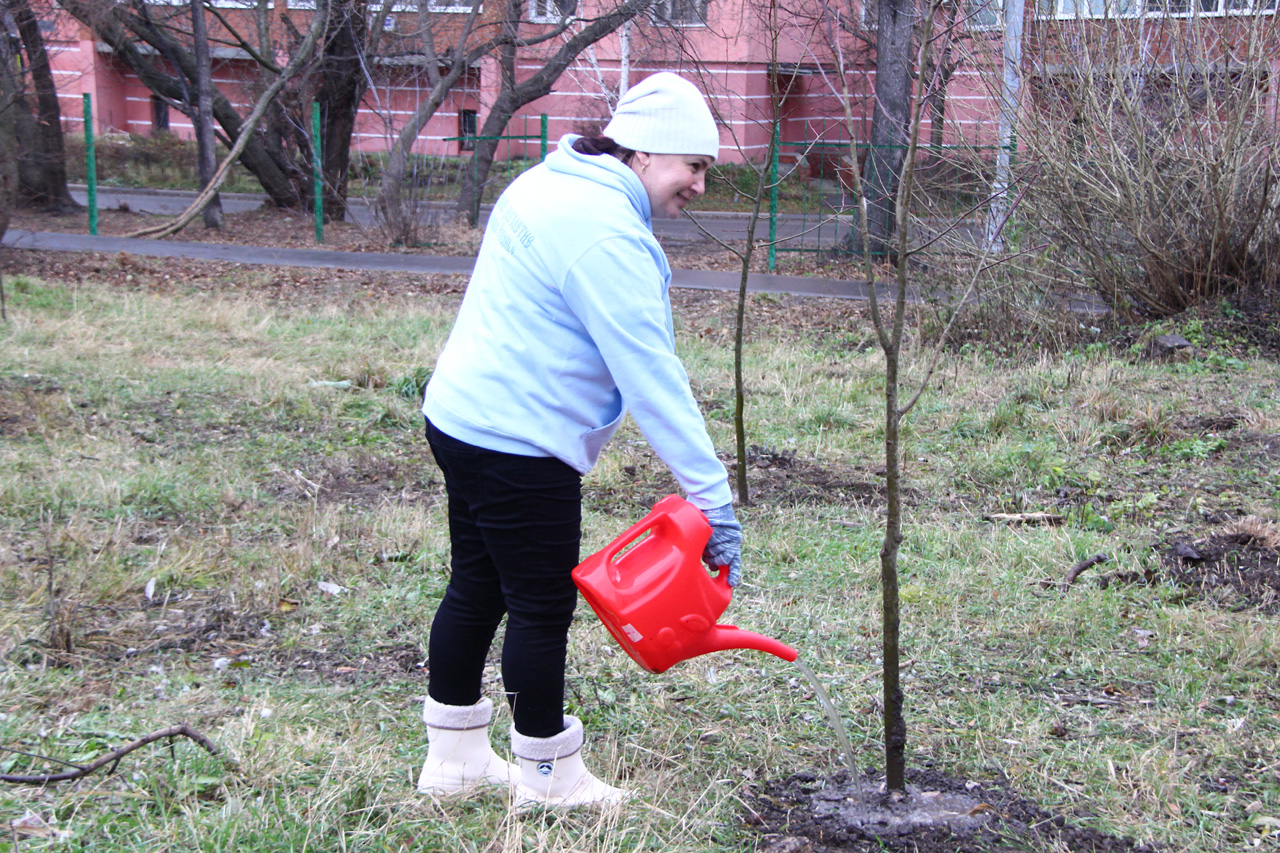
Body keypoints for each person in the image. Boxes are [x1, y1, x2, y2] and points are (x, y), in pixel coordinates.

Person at [415, 72, 743, 809]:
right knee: (537, 605)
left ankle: (456, 755)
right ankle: (548, 774)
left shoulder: (549, 184)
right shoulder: (603, 231)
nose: (698, 185)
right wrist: (712, 497)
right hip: (517, 440)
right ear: (646, 152)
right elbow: (653, 375)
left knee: (478, 582)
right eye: (694, 165)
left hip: (461, 417)